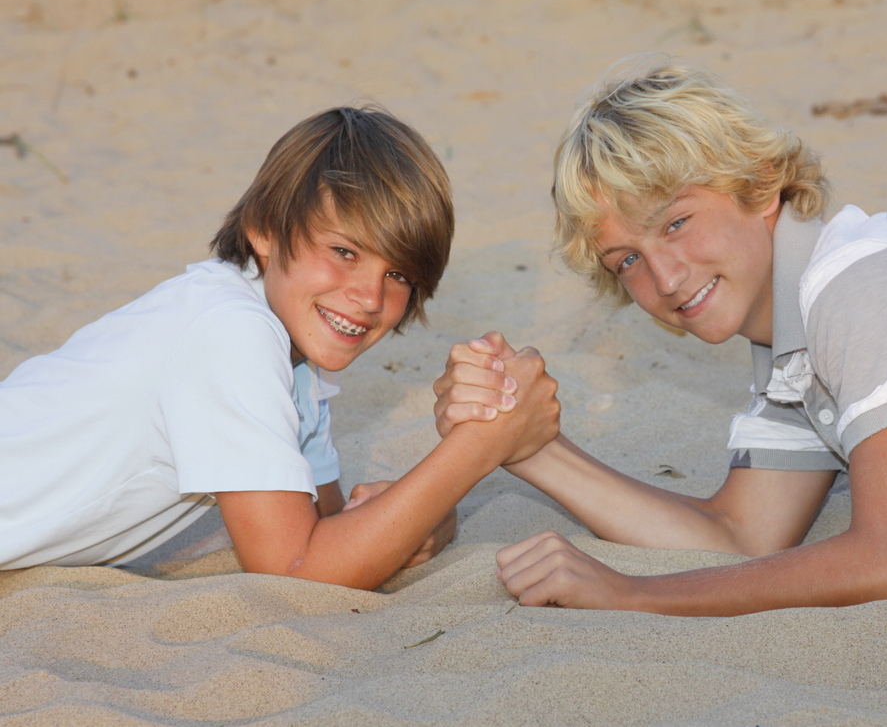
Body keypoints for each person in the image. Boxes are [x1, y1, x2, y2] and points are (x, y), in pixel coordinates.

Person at [432, 63, 887, 617]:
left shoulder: (861, 285)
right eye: (626, 259)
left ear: (758, 189)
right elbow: (740, 537)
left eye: (675, 223)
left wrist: (631, 593)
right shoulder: (791, 343)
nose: (664, 277)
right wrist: (527, 445)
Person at [0, 106, 559, 590]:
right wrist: (480, 446)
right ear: (264, 229)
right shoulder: (229, 332)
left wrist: (426, 518)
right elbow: (296, 569)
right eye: (344, 252)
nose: (370, 297)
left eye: (398, 275)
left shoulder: (295, 360)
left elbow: (325, 528)